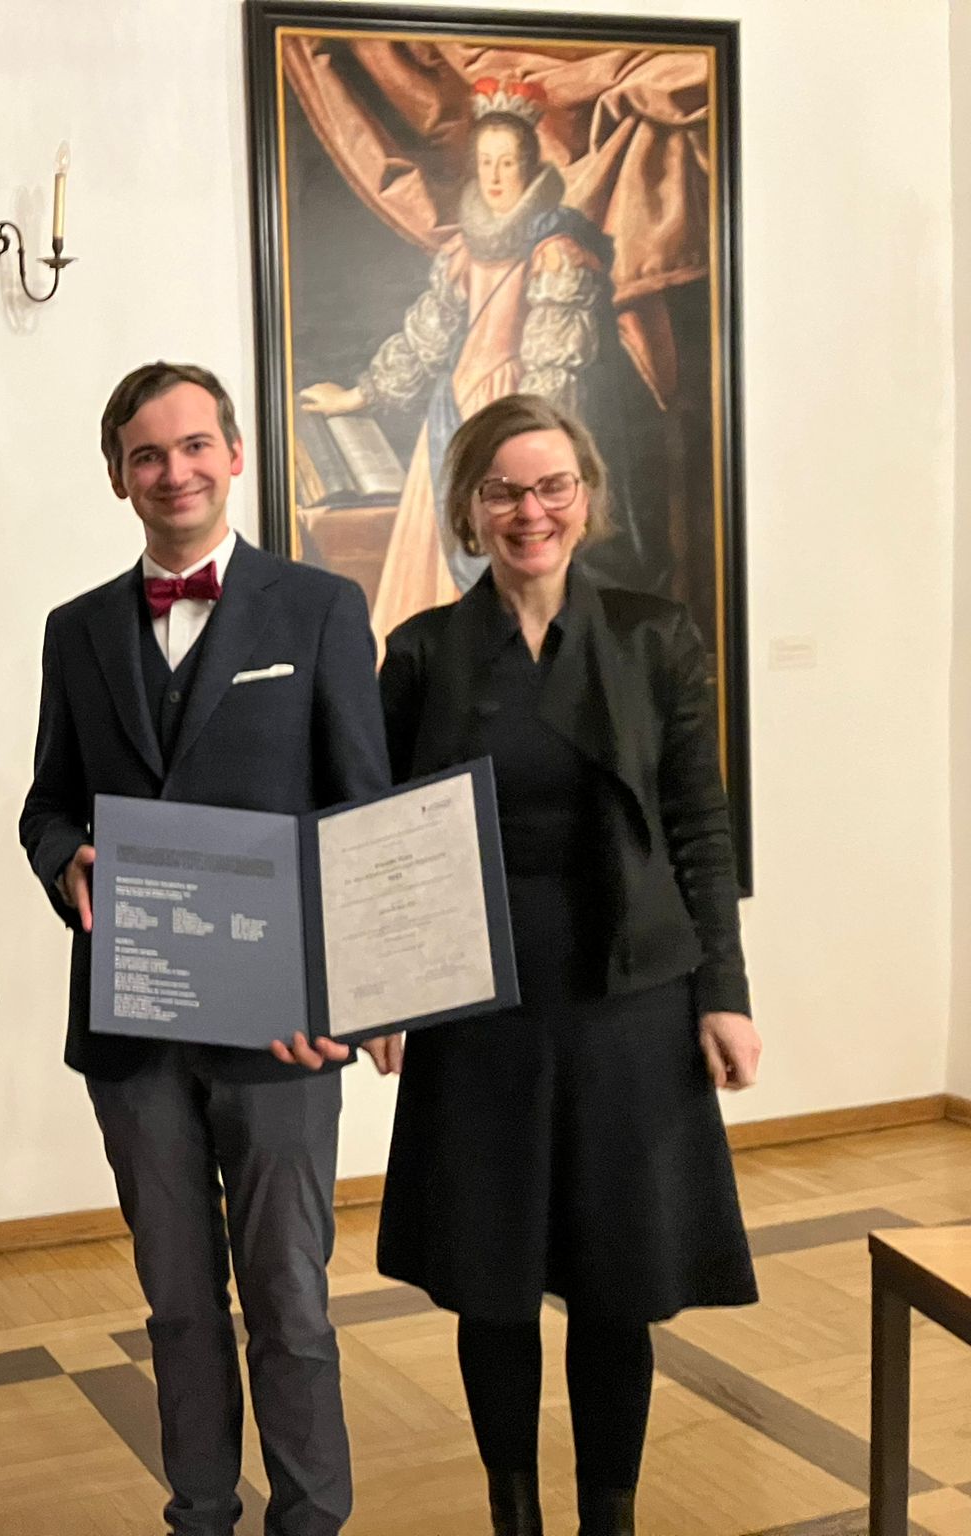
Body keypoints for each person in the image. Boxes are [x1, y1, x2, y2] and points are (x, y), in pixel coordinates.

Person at [375, 392, 761, 1536]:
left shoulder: (654, 634)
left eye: (550, 487)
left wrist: (723, 995)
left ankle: (608, 1519)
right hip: (473, 1006)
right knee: (490, 1282)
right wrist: (382, 994)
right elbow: (383, 837)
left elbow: (699, 824)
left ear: (583, 499)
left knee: (613, 1282)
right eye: (501, 490)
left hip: (627, 1000)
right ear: (466, 508)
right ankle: (513, 1516)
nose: (527, 510)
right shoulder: (421, 652)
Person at [19, 362, 393, 1536]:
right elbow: (45, 805)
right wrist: (62, 857)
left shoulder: (318, 609)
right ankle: (198, 1514)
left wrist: (357, 988)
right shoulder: (76, 630)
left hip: (280, 1024)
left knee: (288, 1299)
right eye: (144, 454)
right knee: (175, 1304)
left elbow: (360, 812)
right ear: (116, 477)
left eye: (191, 446)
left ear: (234, 457)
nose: (170, 470)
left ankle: (309, 1520)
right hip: (133, 1030)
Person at [299, 76, 662, 637]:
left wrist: (528, 458)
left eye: (507, 163)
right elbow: (428, 334)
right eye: (485, 163)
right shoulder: (466, 249)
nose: (494, 177)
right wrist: (358, 394)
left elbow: (551, 375)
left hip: (511, 417)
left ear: (530, 167)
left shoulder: (556, 251)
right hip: (449, 418)